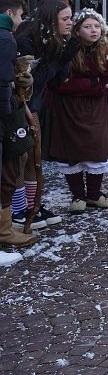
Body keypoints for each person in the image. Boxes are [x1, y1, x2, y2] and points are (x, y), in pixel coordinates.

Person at [12, 0, 73, 229]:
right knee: (21, 158)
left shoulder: (52, 39)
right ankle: (19, 210)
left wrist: (64, 58)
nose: (70, 23)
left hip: (35, 107)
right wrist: (59, 60)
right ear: (51, 20)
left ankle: (33, 204)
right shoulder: (27, 40)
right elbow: (32, 82)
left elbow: (57, 81)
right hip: (20, 107)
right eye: (65, 19)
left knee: (33, 159)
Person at [49, 9, 108, 213]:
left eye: (97, 26)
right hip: (68, 109)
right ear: (77, 30)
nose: (93, 30)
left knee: (97, 149)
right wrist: (91, 82)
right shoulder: (66, 50)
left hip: (95, 108)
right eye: (87, 26)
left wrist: (82, 85)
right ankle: (78, 196)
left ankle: (94, 195)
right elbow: (59, 84)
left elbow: (107, 83)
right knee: (72, 152)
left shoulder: (105, 50)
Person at [0, 56, 39, 248]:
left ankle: (4, 228)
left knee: (10, 173)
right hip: (5, 119)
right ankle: (4, 230)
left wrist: (20, 83)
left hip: (8, 120)